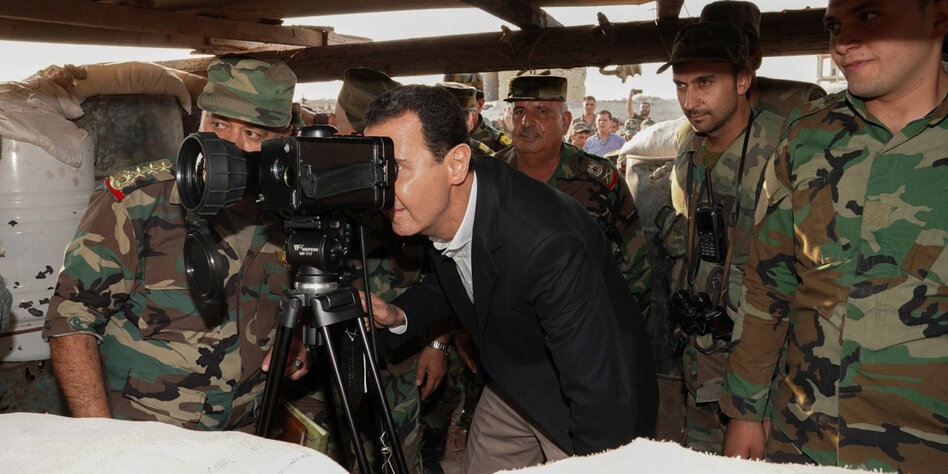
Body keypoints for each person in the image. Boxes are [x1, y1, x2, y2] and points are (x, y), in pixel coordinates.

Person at [362, 84, 657, 473]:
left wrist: (599, 465)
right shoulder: (452, 200)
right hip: (513, 376)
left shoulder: (548, 244)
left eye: (398, 168)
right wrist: (399, 315)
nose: (382, 189)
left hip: (585, 396)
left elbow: (600, 394)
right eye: (378, 170)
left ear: (455, 163)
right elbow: (459, 271)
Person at [721, 0, 948, 471]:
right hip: (805, 440)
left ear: (937, 17)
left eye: (868, 15)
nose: (843, 43)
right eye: (833, 26)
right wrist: (745, 410)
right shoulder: (807, 136)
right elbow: (767, 286)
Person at [42, 55, 309, 431]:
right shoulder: (137, 202)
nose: (229, 146)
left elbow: (295, 298)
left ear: (285, 139)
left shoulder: (293, 212)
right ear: (200, 120)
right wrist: (100, 439)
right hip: (145, 434)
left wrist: (296, 341)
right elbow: (71, 322)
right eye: (219, 124)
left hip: (248, 432)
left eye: (253, 134)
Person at [658, 21, 786, 456]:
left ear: (743, 80)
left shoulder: (784, 148)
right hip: (700, 355)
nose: (690, 101)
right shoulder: (688, 145)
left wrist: (758, 403)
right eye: (681, 86)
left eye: (705, 83)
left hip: (763, 374)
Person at [495, 75, 652, 312]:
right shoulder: (490, 177)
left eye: (541, 111)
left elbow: (636, 262)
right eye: (519, 111)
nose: (527, 122)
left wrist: (615, 323)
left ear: (566, 122)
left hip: (583, 321)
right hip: (508, 321)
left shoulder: (599, 179)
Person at [443, 72, 512, 152]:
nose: (452, 113)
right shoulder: (434, 137)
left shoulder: (499, 146)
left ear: (480, 104)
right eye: (446, 104)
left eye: (463, 105)